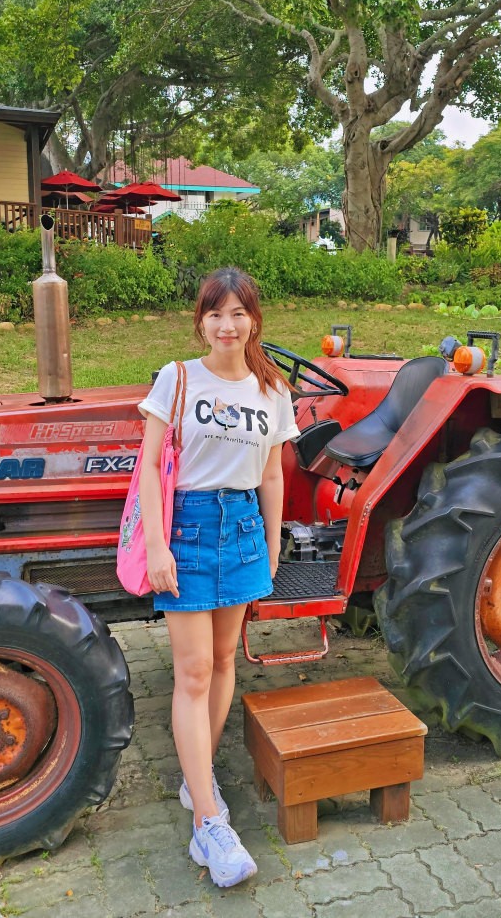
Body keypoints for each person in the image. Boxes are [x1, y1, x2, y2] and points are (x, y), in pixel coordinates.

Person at [137, 267, 300, 888]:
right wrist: (158, 545)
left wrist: (272, 538)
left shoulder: (271, 389)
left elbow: (273, 474)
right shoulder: (178, 378)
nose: (226, 326)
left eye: (238, 314)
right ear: (200, 321)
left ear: (254, 320)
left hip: (243, 530)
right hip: (190, 526)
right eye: (214, 314)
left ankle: (194, 776)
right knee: (194, 671)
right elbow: (150, 467)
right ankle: (209, 822)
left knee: (227, 659)